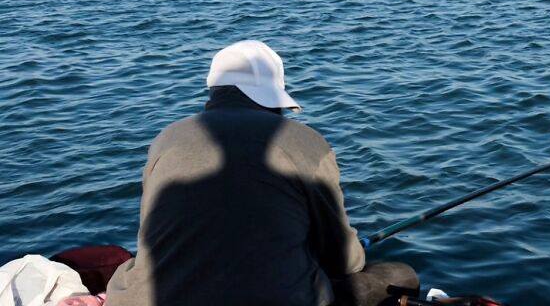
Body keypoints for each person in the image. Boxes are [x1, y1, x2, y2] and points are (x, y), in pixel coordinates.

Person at [107, 40, 418, 306]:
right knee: (399, 276)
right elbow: (342, 258)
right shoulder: (304, 141)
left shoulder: (167, 139)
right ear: (272, 98)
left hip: (144, 298)